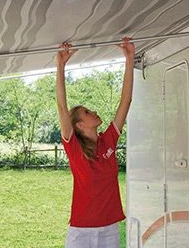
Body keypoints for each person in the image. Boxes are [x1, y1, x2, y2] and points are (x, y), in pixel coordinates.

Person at [56, 37, 135, 248]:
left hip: (109, 228)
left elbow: (126, 101)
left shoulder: (108, 140)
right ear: (80, 125)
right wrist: (61, 66)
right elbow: (62, 107)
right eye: (87, 112)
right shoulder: (74, 148)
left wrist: (129, 59)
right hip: (81, 231)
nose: (94, 112)